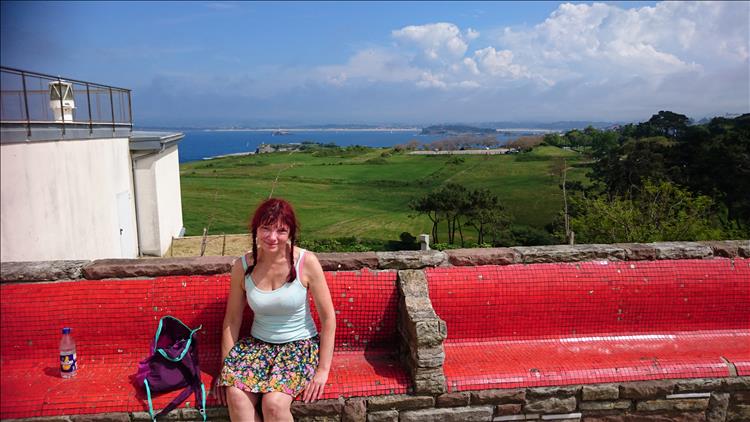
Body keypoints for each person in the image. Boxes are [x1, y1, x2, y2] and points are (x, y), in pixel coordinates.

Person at [213, 198, 336, 421]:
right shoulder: (243, 266)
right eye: (266, 228)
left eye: (281, 230)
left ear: (291, 233)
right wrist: (226, 368)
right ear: (256, 230)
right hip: (257, 347)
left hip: (299, 348)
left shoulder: (306, 262)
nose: (272, 237)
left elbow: (328, 319)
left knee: (274, 405)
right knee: (236, 395)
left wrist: (323, 370)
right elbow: (232, 319)